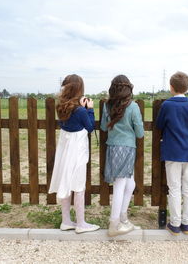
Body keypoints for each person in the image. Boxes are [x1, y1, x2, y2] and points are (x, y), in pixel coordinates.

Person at [48, 74, 100, 234]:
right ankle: (81, 223)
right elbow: (90, 127)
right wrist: (90, 109)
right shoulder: (79, 111)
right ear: (79, 89)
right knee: (78, 186)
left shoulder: (61, 106)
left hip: (64, 150)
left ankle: (66, 220)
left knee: (65, 182)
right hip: (77, 151)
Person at [156, 71, 188, 235]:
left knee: (174, 188)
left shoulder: (167, 105)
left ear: (171, 87)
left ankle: (175, 223)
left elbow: (159, 124)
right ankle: (187, 223)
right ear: (187, 87)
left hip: (172, 151)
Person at [100, 75, 144, 237]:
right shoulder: (133, 106)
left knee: (130, 184)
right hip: (126, 148)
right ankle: (114, 223)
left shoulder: (107, 105)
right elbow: (139, 132)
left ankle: (123, 218)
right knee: (120, 185)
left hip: (113, 147)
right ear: (128, 88)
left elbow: (104, 128)